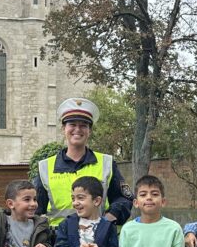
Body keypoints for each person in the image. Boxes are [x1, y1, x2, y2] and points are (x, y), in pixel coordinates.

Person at [34, 97, 132, 227]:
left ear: (89, 131)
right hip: (58, 240)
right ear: (63, 128)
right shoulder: (45, 167)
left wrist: (107, 221)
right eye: (72, 124)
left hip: (97, 239)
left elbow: (124, 198)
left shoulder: (106, 163)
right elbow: (34, 208)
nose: (77, 129)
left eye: (83, 125)